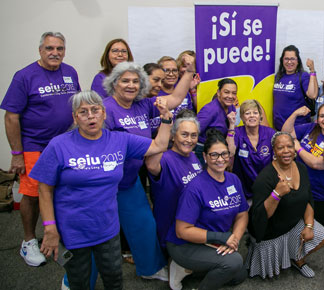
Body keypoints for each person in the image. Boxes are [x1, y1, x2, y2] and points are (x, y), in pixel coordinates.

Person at [31, 90, 172, 289]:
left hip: (107, 227)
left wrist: (166, 118)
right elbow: (44, 190)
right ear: (75, 117)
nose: (90, 116)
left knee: (114, 278)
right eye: (83, 112)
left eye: (95, 110)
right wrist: (49, 228)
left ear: (104, 113)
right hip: (73, 229)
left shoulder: (119, 140)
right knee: (79, 280)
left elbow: (159, 145)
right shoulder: (59, 145)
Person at [102, 61, 194, 280]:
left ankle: (150, 269)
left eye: (135, 81)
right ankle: (73, 280)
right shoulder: (105, 108)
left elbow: (175, 100)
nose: (131, 85)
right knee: (97, 236)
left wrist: (189, 72)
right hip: (103, 184)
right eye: (125, 80)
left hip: (128, 182)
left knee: (144, 224)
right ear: (114, 83)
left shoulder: (142, 104)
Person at [1, 31, 80, 267]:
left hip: (64, 144)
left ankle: (55, 233)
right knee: (34, 193)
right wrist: (17, 154)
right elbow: (11, 117)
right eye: (49, 48)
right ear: (40, 50)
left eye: (59, 48)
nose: (55, 53)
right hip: (35, 145)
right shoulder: (24, 76)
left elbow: (76, 106)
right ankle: (28, 241)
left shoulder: (70, 72)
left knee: (62, 189)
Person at [165, 130, 249, 290]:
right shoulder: (194, 187)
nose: (220, 159)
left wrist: (234, 239)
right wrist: (222, 237)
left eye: (224, 154)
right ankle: (189, 273)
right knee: (233, 263)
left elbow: (242, 214)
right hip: (185, 244)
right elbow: (182, 231)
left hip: (214, 242)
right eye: (214, 155)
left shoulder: (233, 180)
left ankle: (187, 269)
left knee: (239, 274)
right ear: (205, 157)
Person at [247, 132, 324, 278]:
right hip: (270, 230)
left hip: (292, 222)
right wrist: (276, 194)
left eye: (289, 146)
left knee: (323, 236)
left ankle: (297, 259)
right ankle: (285, 254)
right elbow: (260, 217)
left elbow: (307, 198)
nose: (286, 151)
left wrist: (309, 226)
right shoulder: (265, 178)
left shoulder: (301, 168)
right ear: (274, 151)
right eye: (280, 147)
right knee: (270, 274)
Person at [145, 110, 202, 251]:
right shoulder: (164, 159)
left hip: (192, 227)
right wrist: (165, 125)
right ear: (173, 136)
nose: (189, 140)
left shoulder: (193, 157)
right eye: (184, 134)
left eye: (193, 136)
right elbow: (151, 166)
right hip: (170, 232)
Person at [282, 103, 324, 227]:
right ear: (317, 119)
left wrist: (298, 148)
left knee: (317, 233)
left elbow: (318, 164)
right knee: (293, 226)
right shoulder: (311, 127)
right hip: (298, 187)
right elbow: (286, 133)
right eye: (322, 116)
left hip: (320, 193)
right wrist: (295, 114)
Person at [228, 99, 276, 199]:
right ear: (241, 117)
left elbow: (277, 161)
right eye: (247, 113)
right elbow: (230, 152)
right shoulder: (237, 132)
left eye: (255, 113)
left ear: (260, 116)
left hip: (267, 189)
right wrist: (232, 125)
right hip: (244, 190)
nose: (252, 116)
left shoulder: (270, 133)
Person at [272, 45, 318, 130]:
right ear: (282, 60)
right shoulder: (278, 77)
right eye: (286, 59)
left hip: (296, 128)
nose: (289, 62)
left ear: (298, 61)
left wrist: (312, 70)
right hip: (279, 128)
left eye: (292, 59)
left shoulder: (303, 76)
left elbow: (312, 95)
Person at [196, 78, 237, 165]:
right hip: (203, 151)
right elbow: (194, 131)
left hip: (219, 150)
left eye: (234, 93)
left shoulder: (231, 108)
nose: (230, 96)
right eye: (226, 92)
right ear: (218, 92)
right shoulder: (209, 110)